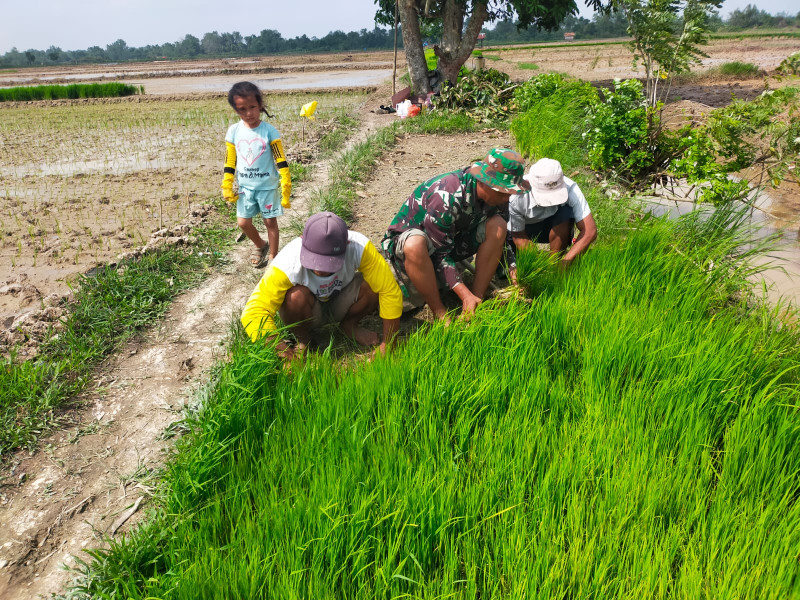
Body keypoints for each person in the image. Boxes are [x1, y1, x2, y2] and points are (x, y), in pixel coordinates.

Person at [381, 148, 530, 319]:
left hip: (451, 241)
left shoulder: (498, 198)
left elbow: (502, 240)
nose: (508, 198)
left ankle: (476, 299)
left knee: (498, 225)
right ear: (485, 182)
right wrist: (462, 292)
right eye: (504, 191)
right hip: (414, 250)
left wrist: (513, 267)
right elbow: (439, 255)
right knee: (414, 244)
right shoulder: (446, 196)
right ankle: (441, 314)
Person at [241, 212, 402, 359]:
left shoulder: (360, 247)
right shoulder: (287, 262)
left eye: (328, 262)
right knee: (294, 297)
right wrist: (285, 353)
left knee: (375, 284)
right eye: (315, 260)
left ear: (346, 244)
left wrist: (389, 343)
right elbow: (254, 312)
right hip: (308, 310)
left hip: (342, 300)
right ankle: (304, 340)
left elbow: (389, 290)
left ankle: (349, 325)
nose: (320, 269)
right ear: (302, 240)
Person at [221, 81, 292, 268]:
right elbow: (230, 162)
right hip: (245, 188)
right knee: (243, 223)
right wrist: (227, 184)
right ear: (236, 110)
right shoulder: (234, 132)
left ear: (260, 104)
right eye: (242, 109)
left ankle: (273, 259)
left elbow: (280, 159)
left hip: (267, 187)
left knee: (270, 222)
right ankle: (261, 245)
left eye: (252, 107)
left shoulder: (269, 131)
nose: (248, 113)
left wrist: (285, 182)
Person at [505, 158, 597, 282]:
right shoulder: (516, 194)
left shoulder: (571, 188)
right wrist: (536, 264)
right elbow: (518, 234)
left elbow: (590, 231)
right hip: (523, 229)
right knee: (508, 271)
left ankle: (555, 263)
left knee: (565, 212)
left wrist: (566, 261)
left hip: (553, 226)